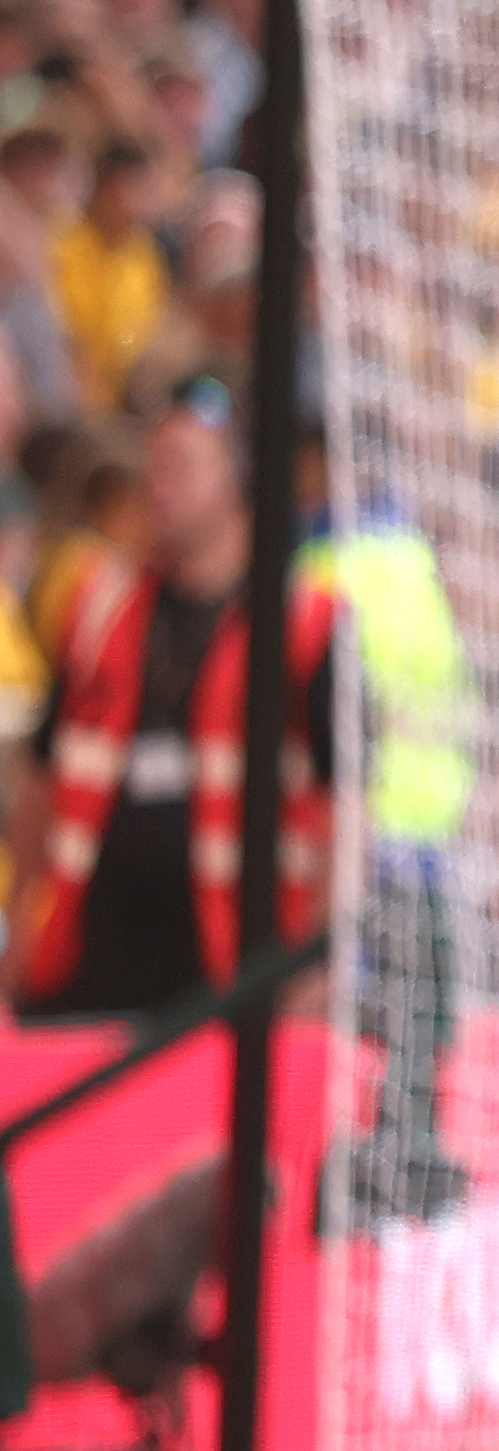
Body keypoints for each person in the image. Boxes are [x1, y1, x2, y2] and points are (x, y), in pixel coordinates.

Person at [16, 376, 337, 1019]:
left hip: (233, 971)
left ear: (241, 483)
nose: (158, 483)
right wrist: (23, 923)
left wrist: (314, 963)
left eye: (182, 466)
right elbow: (40, 776)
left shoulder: (302, 622)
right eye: (153, 466)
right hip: (88, 965)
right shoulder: (99, 608)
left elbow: (343, 804)